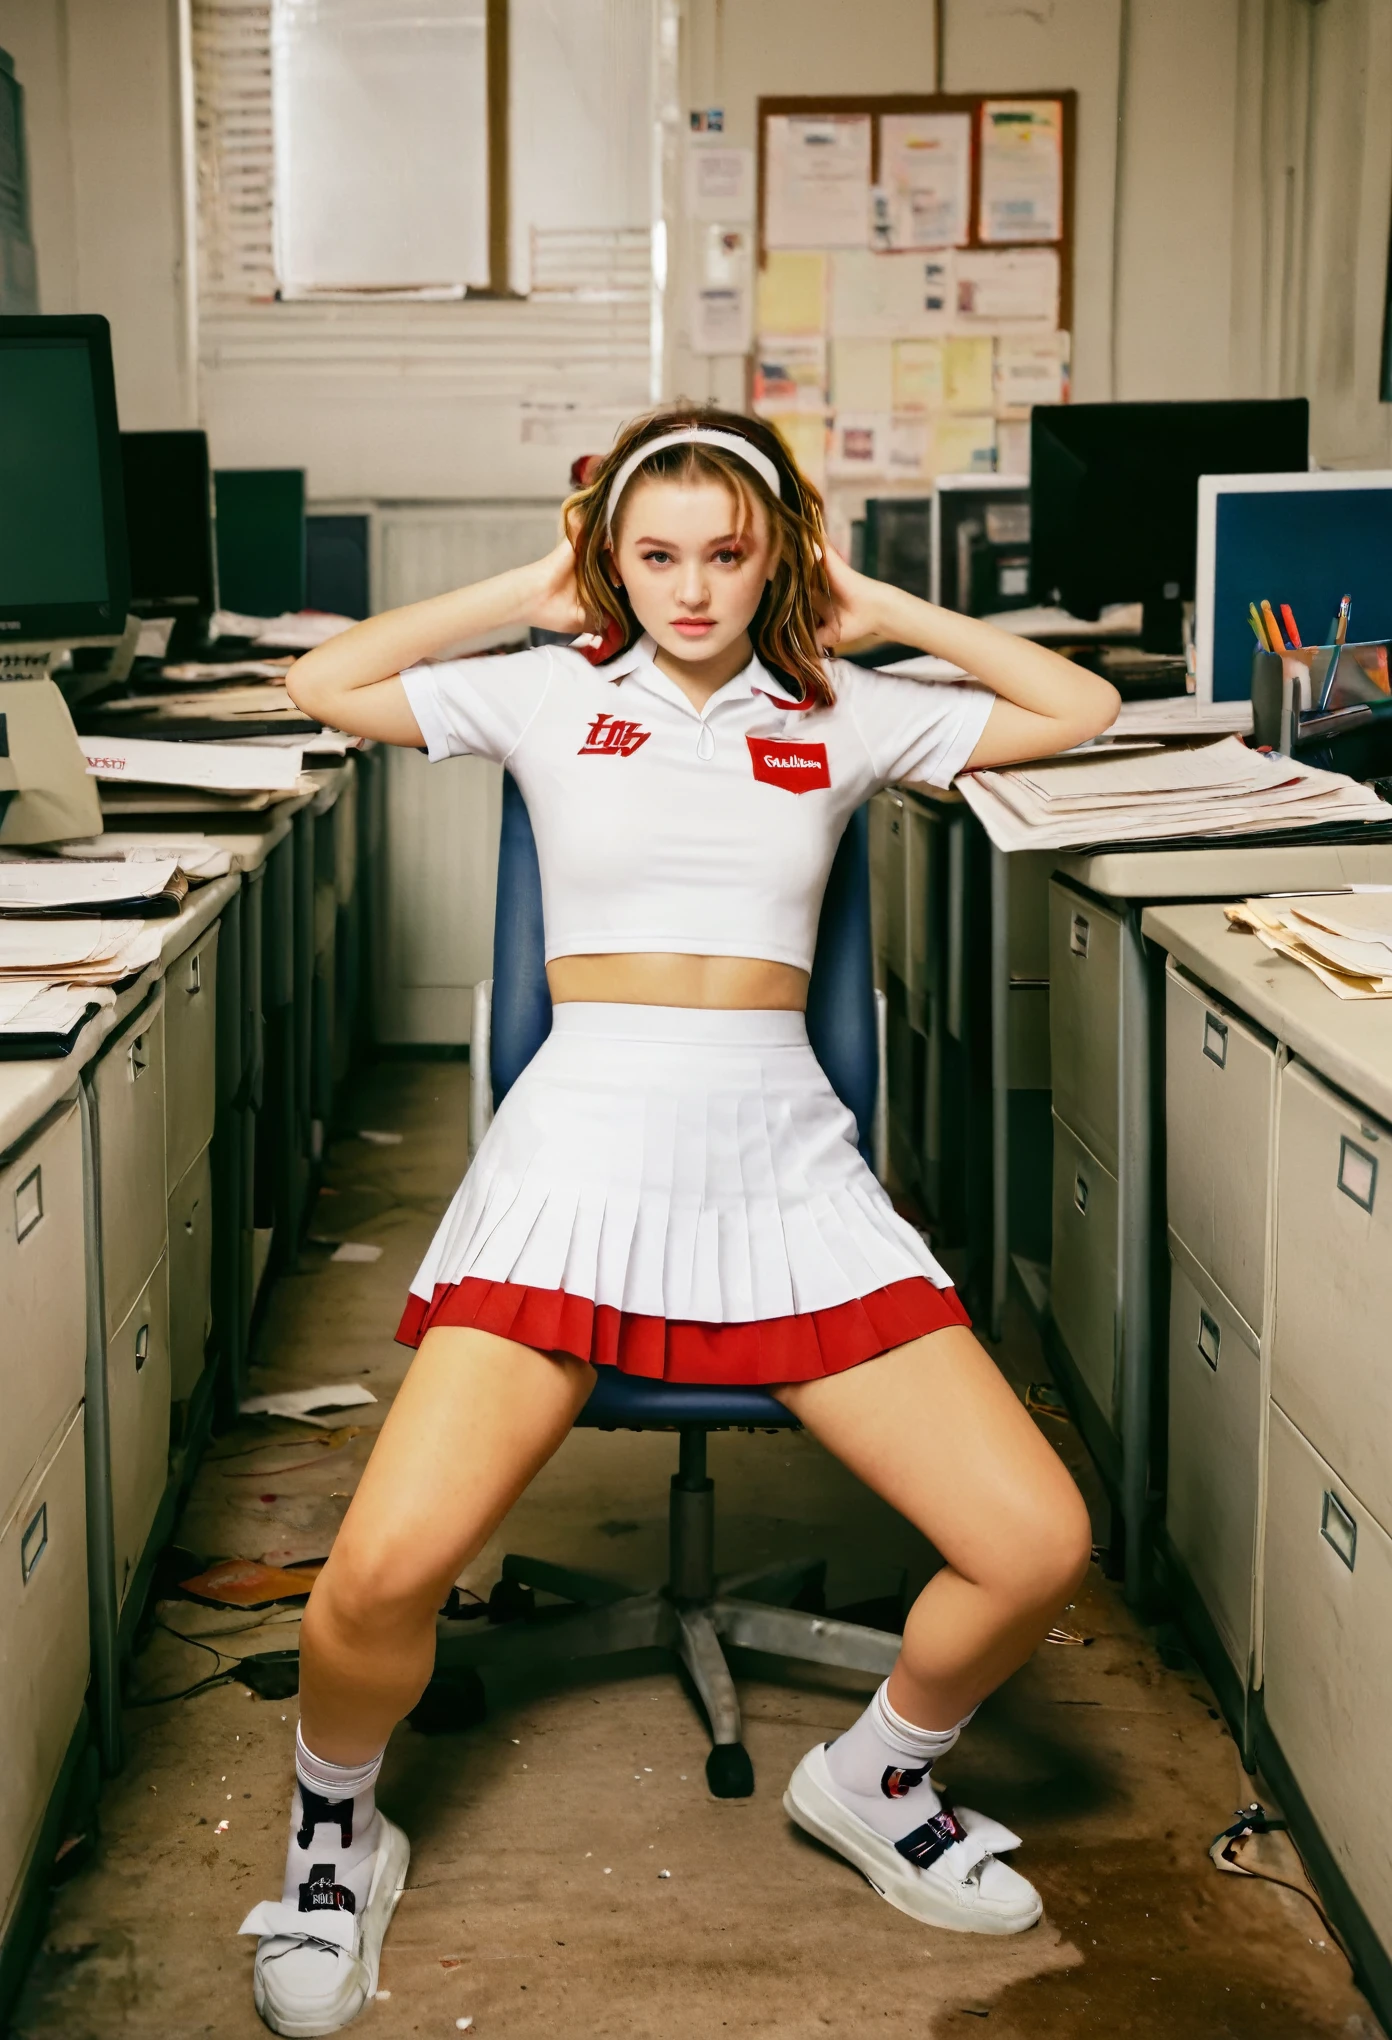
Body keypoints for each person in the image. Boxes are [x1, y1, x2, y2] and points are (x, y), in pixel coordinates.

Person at [238, 405, 1119, 2035]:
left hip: (786, 1162)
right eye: (657, 556)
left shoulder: (846, 707)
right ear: (612, 558)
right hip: (577, 1155)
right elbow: (325, 684)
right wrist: (547, 578)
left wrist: (893, 611)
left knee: (1033, 1541)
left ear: (779, 548)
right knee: (371, 1584)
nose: (694, 591)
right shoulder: (550, 691)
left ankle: (875, 1776)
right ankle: (332, 1834)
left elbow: (1083, 703)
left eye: (728, 553)